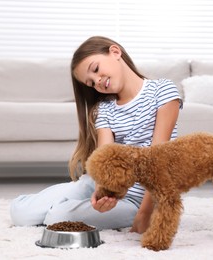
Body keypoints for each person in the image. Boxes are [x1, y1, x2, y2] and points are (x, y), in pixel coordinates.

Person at [10, 36, 182, 233]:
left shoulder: (163, 90)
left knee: (57, 217)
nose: (97, 82)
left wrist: (145, 214)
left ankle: (61, 205)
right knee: (20, 213)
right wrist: (101, 192)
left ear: (115, 52)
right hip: (101, 187)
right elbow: (105, 161)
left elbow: (158, 160)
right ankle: (55, 201)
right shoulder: (105, 109)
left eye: (96, 69)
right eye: (90, 83)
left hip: (138, 199)